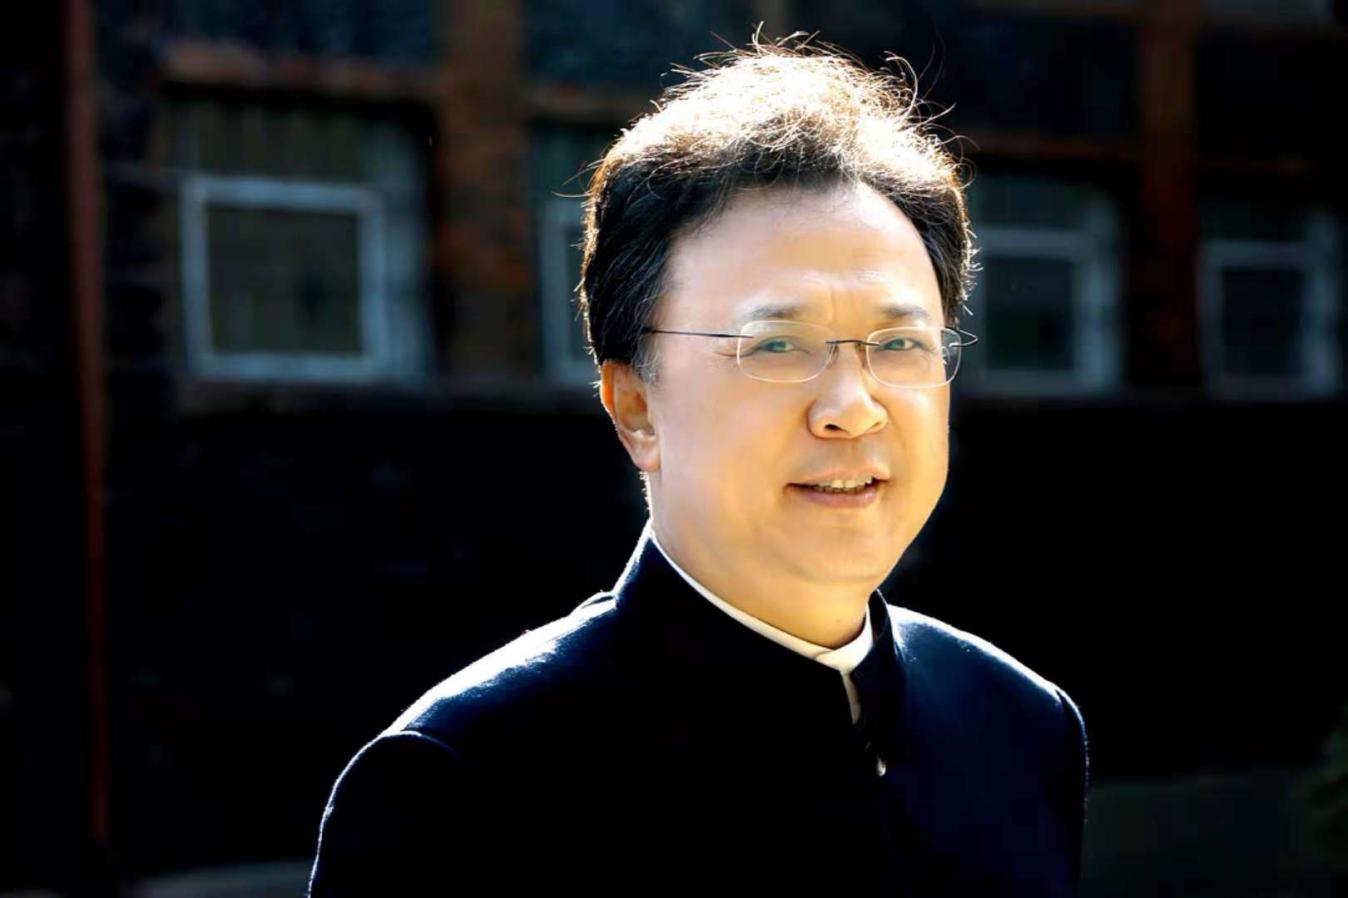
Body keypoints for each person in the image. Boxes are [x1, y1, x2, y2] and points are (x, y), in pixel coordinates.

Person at [307, 31, 1088, 896]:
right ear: (635, 405)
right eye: (778, 344)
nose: (853, 406)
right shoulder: (465, 787)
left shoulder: (1018, 723)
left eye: (899, 343)